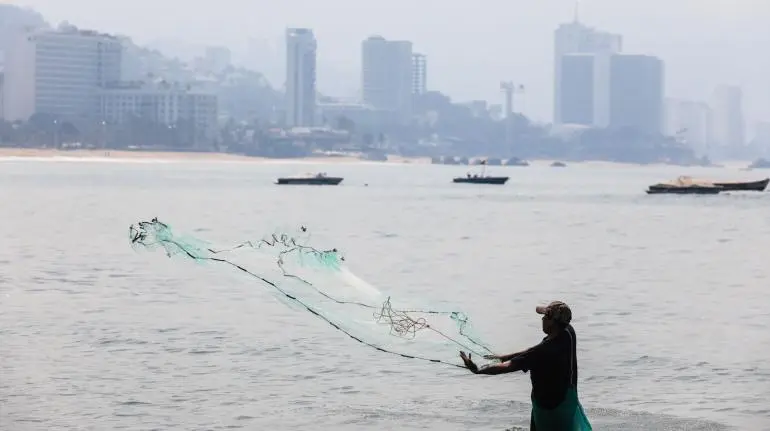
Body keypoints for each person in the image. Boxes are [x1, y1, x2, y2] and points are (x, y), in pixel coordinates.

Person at [459, 301, 592, 430]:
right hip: (567, 401)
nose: (542, 320)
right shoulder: (568, 332)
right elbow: (533, 350)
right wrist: (505, 357)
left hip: (549, 409)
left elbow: (508, 367)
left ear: (553, 323)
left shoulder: (541, 352)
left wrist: (478, 370)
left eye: (545, 317)